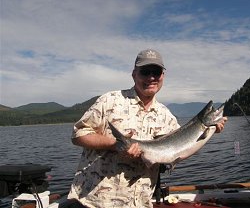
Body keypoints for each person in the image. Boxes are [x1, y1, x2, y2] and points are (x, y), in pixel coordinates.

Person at [67, 49, 227, 208]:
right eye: (145, 71)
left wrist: (211, 131)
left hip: (139, 204)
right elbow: (78, 134)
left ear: (163, 76)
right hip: (94, 202)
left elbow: (180, 152)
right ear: (134, 74)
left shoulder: (166, 116)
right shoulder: (109, 101)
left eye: (156, 72)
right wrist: (115, 144)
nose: (151, 77)